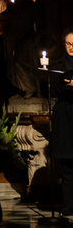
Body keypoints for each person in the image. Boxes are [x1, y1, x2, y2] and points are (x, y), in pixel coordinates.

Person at [45, 29, 73, 214]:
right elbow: (54, 88)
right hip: (65, 118)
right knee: (67, 165)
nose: (71, 47)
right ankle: (69, 205)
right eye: (68, 44)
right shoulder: (58, 65)